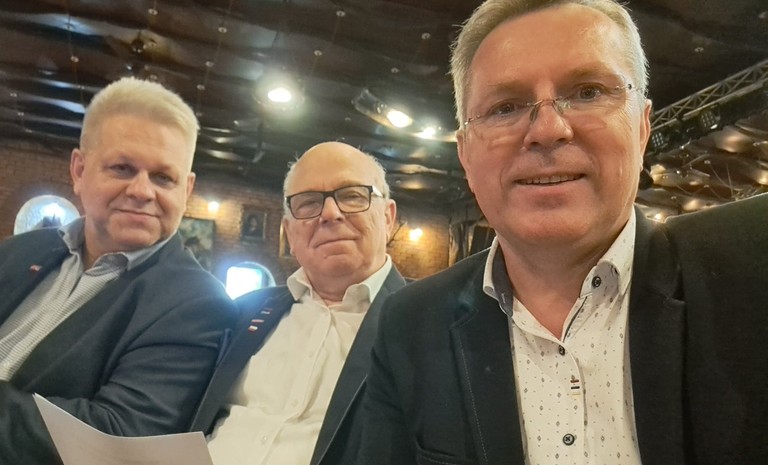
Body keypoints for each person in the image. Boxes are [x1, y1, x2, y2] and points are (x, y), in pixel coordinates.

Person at [357, 1, 768, 465]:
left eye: (588, 92)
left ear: (642, 127)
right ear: (466, 154)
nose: (548, 129)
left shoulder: (753, 269)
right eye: (505, 107)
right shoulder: (410, 325)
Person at [0, 77, 237, 464]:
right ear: (79, 170)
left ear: (187, 190)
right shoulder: (20, 250)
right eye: (123, 168)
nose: (143, 191)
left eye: (163, 177)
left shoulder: (198, 306)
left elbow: (112, 440)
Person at [189, 141, 406, 465]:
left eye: (352, 196)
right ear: (290, 233)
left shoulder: (424, 324)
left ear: (388, 217)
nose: (330, 214)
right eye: (308, 203)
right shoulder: (243, 312)